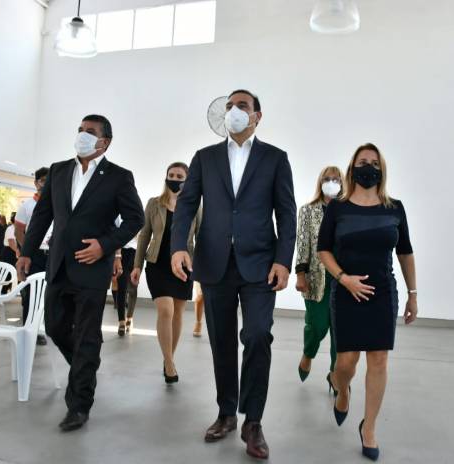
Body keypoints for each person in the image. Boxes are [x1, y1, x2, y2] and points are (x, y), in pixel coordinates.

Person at [171, 89, 296, 460]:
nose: (234, 111)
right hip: (215, 263)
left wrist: (283, 260)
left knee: (257, 335)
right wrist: (179, 246)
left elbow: (286, 213)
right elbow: (186, 205)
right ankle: (226, 412)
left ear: (257, 115)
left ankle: (252, 421)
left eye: (242, 106)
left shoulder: (275, 158)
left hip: (260, 265)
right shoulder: (205, 157)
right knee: (221, 341)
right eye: (229, 106)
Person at [16, 114, 144, 432]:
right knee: (55, 326)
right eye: (80, 130)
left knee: (87, 334)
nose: (82, 135)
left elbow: (135, 219)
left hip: (92, 267)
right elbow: (43, 215)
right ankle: (86, 366)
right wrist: (27, 253)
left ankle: (79, 405)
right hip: (58, 264)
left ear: (105, 142)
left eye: (90, 131)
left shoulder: (118, 177)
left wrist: (105, 245)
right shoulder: (59, 170)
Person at [317, 143, 418, 461]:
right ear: (352, 167)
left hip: (382, 293)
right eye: (363, 162)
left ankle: (369, 428)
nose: (369, 167)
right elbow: (323, 250)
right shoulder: (338, 208)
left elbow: (405, 252)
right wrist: (343, 278)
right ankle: (342, 390)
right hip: (346, 292)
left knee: (378, 360)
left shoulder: (394, 208)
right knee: (345, 363)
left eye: (374, 163)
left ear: (382, 169)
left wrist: (413, 294)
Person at [131, 162, 201, 383]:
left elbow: (201, 237)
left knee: (178, 312)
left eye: (179, 176)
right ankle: (170, 363)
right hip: (157, 263)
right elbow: (144, 235)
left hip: (183, 266)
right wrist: (137, 265)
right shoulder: (154, 204)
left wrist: (201, 269)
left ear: (187, 180)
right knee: (166, 310)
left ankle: (168, 356)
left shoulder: (194, 206)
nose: (174, 179)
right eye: (171, 175)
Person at [295, 166, 343, 387]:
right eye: (327, 179)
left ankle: (336, 375)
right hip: (316, 279)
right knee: (318, 326)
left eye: (336, 179)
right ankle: (308, 353)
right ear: (320, 182)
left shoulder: (348, 210)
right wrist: (300, 275)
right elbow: (303, 243)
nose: (332, 182)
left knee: (340, 333)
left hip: (343, 279)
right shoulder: (308, 210)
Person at [15, 167, 50, 344]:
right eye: (42, 180)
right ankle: (29, 330)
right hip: (34, 256)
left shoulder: (57, 204)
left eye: (49, 180)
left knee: (47, 294)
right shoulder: (27, 206)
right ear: (36, 183)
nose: (45, 183)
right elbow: (18, 232)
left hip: (52, 255)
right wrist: (27, 252)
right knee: (31, 293)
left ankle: (41, 329)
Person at [111, 230, 138, 336]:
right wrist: (117, 255)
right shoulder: (118, 217)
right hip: (121, 252)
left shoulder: (142, 218)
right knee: (121, 287)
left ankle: (129, 318)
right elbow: (116, 232)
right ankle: (121, 322)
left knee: (133, 288)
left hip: (136, 252)